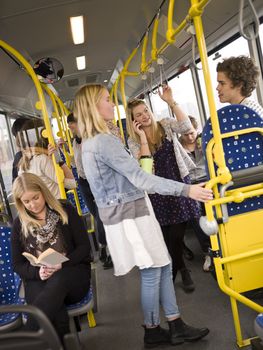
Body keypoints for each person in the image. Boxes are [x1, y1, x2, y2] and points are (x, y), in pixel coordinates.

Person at [74, 83, 212, 348]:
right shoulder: (104, 142)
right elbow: (140, 178)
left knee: (161, 265)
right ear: (93, 107)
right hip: (131, 215)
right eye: (106, 100)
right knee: (152, 271)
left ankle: (174, 323)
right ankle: (152, 330)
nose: (112, 104)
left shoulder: (90, 143)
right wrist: (186, 190)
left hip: (125, 213)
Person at [126, 85, 203, 292]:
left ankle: (179, 270)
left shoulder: (166, 125)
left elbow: (187, 127)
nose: (144, 117)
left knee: (177, 234)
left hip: (178, 182)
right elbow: (145, 168)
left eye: (145, 112)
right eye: (138, 115)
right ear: (133, 120)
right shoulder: (133, 142)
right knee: (167, 234)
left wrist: (171, 102)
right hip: (157, 190)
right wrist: (142, 138)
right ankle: (180, 268)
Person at [11, 173, 92, 342]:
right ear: (20, 202)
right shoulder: (19, 223)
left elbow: (84, 248)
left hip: (72, 275)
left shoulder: (65, 210)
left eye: (35, 198)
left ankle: (25, 340)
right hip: (40, 279)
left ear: (44, 192)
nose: (32, 205)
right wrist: (37, 273)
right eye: (26, 202)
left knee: (58, 281)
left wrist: (62, 264)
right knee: (56, 310)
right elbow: (18, 264)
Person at [65, 113, 113, 269]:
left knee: (101, 216)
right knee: (95, 213)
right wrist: (64, 151)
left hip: (95, 180)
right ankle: (105, 246)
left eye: (73, 125)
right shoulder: (74, 141)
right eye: (71, 126)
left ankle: (106, 248)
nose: (72, 129)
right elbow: (77, 161)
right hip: (83, 181)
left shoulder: (91, 139)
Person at [180, 116, 212, 272]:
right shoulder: (177, 147)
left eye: (192, 133)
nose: (190, 137)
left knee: (214, 211)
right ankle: (208, 252)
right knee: (195, 216)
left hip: (208, 180)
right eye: (186, 134)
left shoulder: (205, 142)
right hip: (191, 184)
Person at [18, 134, 76, 199]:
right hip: (56, 201)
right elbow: (72, 183)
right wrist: (59, 161)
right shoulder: (43, 160)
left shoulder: (23, 164)